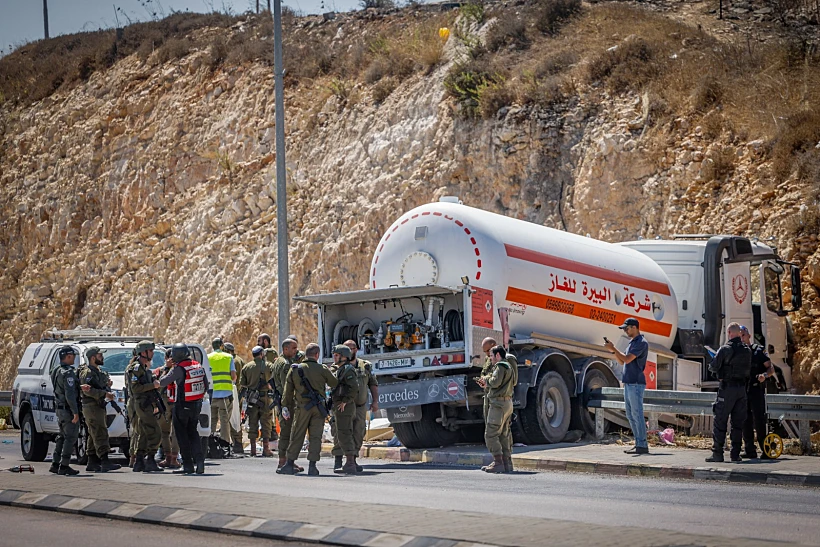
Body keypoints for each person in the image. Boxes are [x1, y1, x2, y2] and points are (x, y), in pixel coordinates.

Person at [279, 343, 338, 475]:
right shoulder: (322, 369)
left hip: (302, 408)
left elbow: (287, 392)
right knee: (316, 437)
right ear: (317, 355)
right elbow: (334, 383)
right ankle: (312, 466)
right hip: (318, 408)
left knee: (297, 435)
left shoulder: (295, 369)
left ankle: (289, 464)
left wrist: (285, 406)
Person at [159, 343, 209, 475]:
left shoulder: (179, 368)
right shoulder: (197, 365)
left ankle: (188, 465)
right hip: (196, 405)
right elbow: (206, 385)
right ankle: (200, 462)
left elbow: (163, 382)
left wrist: (167, 367)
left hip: (182, 405)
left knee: (182, 436)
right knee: (193, 433)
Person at [706, 322, 752, 463]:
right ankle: (735, 454)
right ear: (739, 334)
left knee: (720, 421)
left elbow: (713, 367)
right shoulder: (747, 350)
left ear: (729, 333)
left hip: (727, 389)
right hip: (742, 390)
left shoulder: (725, 349)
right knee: (737, 423)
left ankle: (718, 453)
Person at [605, 318, 650, 455]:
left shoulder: (641, 342)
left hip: (635, 383)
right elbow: (622, 361)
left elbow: (627, 359)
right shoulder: (633, 342)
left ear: (635, 327)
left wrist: (614, 348)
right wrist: (613, 351)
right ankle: (638, 443)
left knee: (637, 414)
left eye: (627, 328)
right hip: (629, 383)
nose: (625, 330)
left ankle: (642, 444)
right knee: (631, 415)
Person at [78, 346, 121, 472]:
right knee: (100, 431)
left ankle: (92, 461)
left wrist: (107, 386)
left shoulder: (98, 371)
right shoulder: (88, 373)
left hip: (98, 405)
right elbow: (87, 390)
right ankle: (105, 460)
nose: (102, 357)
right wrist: (104, 394)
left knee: (94, 433)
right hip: (91, 406)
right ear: (93, 358)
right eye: (99, 355)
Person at [342, 339, 379, 473]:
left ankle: (353, 459)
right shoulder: (339, 366)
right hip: (345, 407)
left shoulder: (365, 366)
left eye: (351, 349)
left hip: (360, 406)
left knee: (359, 432)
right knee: (345, 432)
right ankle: (347, 460)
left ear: (356, 350)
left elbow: (373, 384)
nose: (348, 352)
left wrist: (375, 401)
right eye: (346, 349)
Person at [128, 340, 164, 473]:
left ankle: (139, 461)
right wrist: (152, 385)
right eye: (150, 351)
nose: (152, 353)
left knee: (143, 432)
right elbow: (136, 388)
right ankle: (150, 459)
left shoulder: (143, 368)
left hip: (145, 403)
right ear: (143, 352)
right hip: (141, 404)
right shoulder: (137, 368)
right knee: (155, 431)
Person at [477, 346, 514, 473]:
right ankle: (507, 463)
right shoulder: (509, 366)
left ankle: (498, 462)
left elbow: (495, 382)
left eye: (491, 356)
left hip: (498, 404)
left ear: (498, 355)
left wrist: (485, 380)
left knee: (491, 434)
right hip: (507, 402)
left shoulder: (500, 366)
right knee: (503, 434)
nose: (490, 358)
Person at [740, 325, 775, 459]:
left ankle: (765, 449)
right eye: (739, 336)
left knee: (759, 420)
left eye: (743, 335)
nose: (741, 338)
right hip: (743, 390)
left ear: (749, 336)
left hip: (756, 390)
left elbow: (770, 368)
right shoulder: (737, 353)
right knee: (745, 420)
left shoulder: (758, 351)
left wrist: (764, 376)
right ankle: (749, 450)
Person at [49, 346, 81, 476]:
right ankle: (64, 465)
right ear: (68, 356)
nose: (74, 358)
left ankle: (55, 463)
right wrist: (75, 412)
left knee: (62, 436)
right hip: (67, 410)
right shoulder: (68, 373)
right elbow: (70, 394)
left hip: (59, 408)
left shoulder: (56, 370)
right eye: (73, 356)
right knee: (70, 437)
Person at [239, 346, 276, 457]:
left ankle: (253, 450)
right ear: (262, 354)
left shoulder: (246, 367)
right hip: (265, 398)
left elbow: (243, 385)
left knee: (252, 423)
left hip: (252, 400)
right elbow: (275, 378)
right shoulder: (268, 365)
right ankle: (266, 449)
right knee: (266, 423)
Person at [330, 344, 360, 474]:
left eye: (337, 355)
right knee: (343, 433)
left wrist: (345, 401)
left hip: (344, 407)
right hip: (340, 405)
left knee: (344, 433)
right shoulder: (341, 369)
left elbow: (354, 388)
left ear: (344, 357)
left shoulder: (348, 370)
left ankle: (350, 463)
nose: (334, 357)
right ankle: (350, 462)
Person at [272, 338, 301, 470]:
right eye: (293, 348)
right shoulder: (285, 364)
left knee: (288, 432)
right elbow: (286, 387)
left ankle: (288, 461)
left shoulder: (280, 361)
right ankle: (283, 461)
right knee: (286, 432)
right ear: (285, 349)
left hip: (283, 401)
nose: (296, 350)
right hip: (286, 402)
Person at [155, 348, 181, 469]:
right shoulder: (162, 370)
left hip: (175, 401)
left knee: (175, 431)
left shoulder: (178, 369)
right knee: (165, 432)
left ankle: (173, 457)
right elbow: (158, 385)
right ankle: (169, 457)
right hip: (165, 402)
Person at [208, 338, 236, 445]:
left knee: (212, 420)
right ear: (222, 346)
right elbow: (233, 376)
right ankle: (225, 444)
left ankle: (210, 444)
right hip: (225, 395)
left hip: (212, 395)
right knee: (224, 420)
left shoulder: (208, 357)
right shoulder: (228, 357)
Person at [224, 342, 246, 454]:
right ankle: (237, 443)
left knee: (233, 419)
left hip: (233, 393)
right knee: (236, 419)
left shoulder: (232, 361)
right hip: (238, 393)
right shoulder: (240, 360)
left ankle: (237, 443)